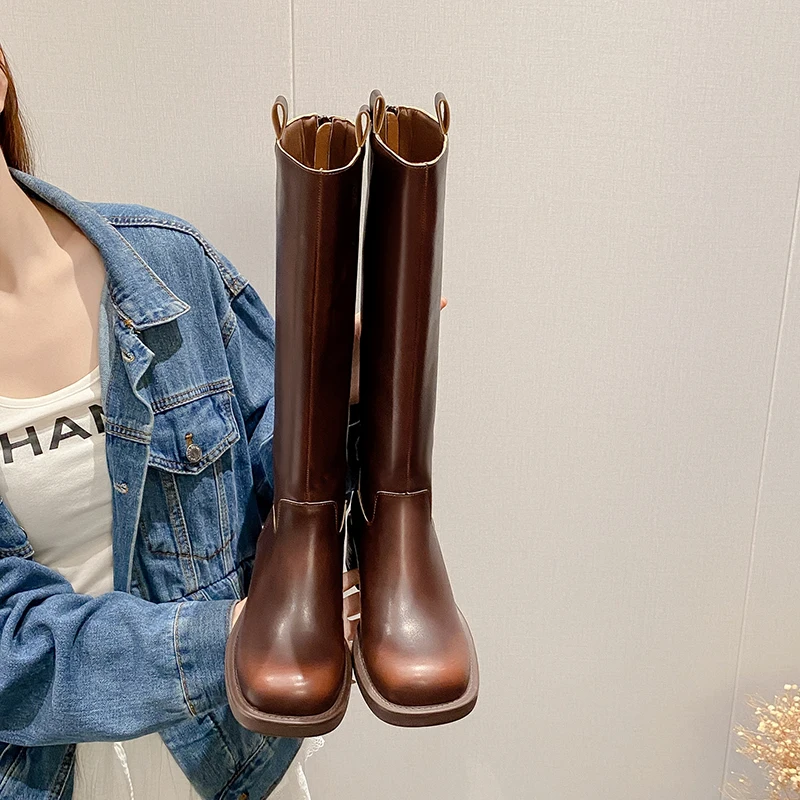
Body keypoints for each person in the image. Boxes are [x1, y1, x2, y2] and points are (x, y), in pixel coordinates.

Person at [0, 42, 372, 799]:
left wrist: (359, 401)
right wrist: (230, 635)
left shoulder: (169, 265)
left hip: (234, 754)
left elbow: (290, 483)